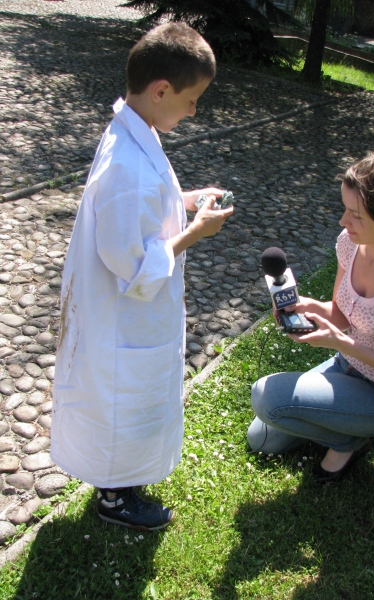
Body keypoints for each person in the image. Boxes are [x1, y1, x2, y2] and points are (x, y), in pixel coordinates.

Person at [51, 22, 233, 530]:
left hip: (130, 318)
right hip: (123, 315)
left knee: (130, 400)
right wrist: (196, 232)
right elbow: (135, 267)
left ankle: (120, 483)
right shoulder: (126, 168)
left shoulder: (134, 129)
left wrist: (185, 200)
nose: (194, 111)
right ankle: (115, 497)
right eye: (192, 100)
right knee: (122, 403)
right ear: (161, 90)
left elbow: (145, 210)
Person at [248, 148, 374, 483]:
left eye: (356, 215)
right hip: (345, 366)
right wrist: (305, 306)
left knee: (266, 397)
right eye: (345, 209)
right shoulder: (349, 244)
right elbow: (340, 314)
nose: (343, 222)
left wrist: (342, 343)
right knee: (261, 439)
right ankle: (344, 427)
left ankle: (348, 442)